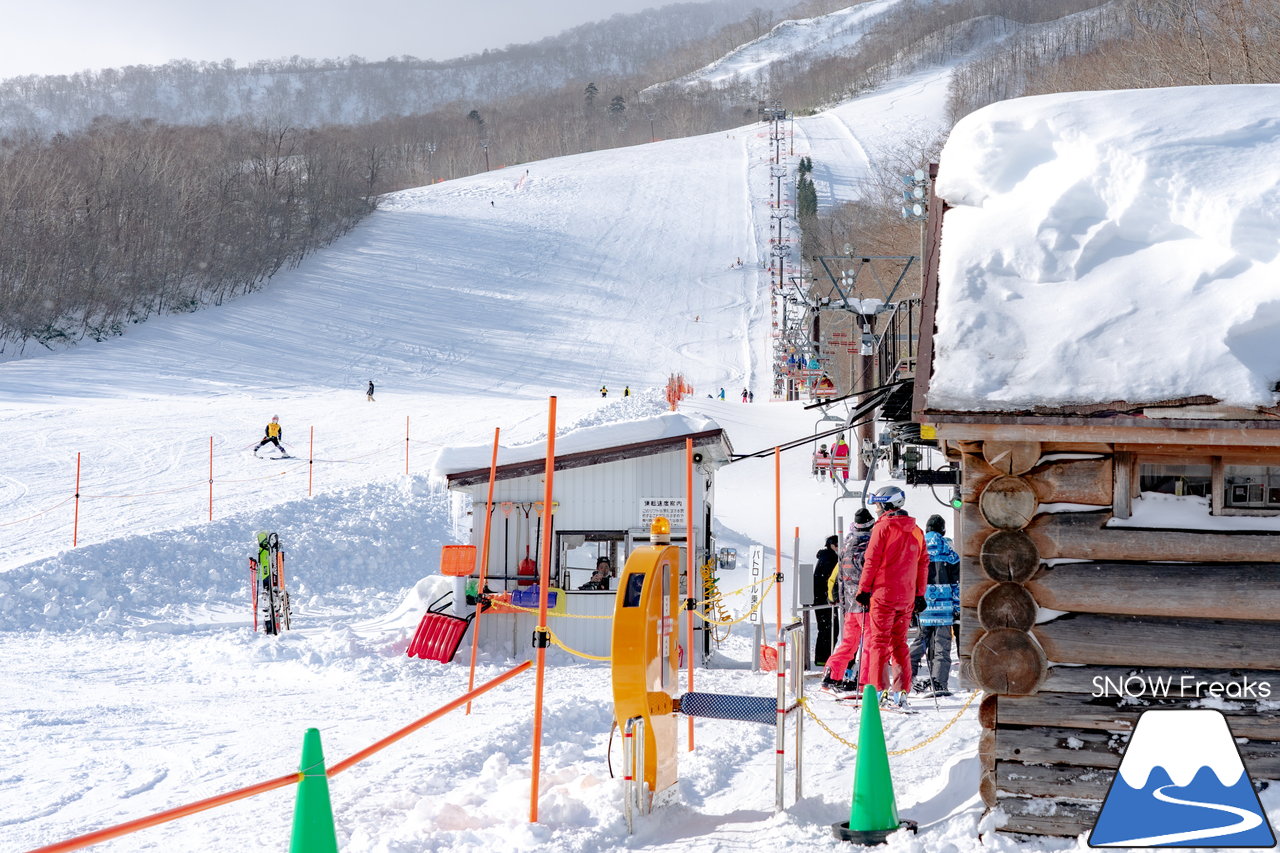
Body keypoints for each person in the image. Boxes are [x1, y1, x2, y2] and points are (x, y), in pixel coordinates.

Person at [856, 485, 929, 710]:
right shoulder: (916, 530)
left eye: (878, 504)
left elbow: (872, 560)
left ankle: (878, 690)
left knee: (878, 642)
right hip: (906, 596)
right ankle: (902, 691)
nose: (876, 509)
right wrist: (919, 593)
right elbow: (923, 562)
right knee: (900, 643)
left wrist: (863, 589)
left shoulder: (883, 527)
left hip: (883, 594)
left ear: (887, 504)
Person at [821, 508, 875, 693]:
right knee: (869, 644)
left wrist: (842, 602)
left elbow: (840, 576)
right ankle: (864, 681)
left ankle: (831, 674)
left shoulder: (845, 544)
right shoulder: (871, 543)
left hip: (850, 605)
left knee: (848, 643)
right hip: (867, 602)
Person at [911, 515, 961, 696]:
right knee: (942, 645)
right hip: (944, 607)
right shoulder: (950, 553)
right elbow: (957, 584)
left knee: (920, 641)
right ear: (943, 530)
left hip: (922, 605)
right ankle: (939, 682)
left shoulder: (917, 549)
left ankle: (907, 676)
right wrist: (957, 608)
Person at [812, 535, 839, 667]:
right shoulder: (831, 558)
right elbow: (831, 580)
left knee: (827, 629)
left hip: (820, 598)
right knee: (829, 629)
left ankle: (823, 659)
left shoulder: (825, 557)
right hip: (824, 599)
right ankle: (824, 659)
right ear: (833, 545)